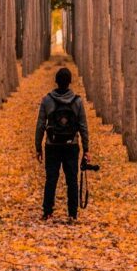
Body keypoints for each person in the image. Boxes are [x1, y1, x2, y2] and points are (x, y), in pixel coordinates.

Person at [35, 67, 90, 221]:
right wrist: (86, 149)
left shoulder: (47, 100)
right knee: (72, 179)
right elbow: (83, 126)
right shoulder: (77, 101)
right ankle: (72, 214)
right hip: (71, 145)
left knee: (51, 178)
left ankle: (47, 212)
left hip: (52, 145)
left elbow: (40, 125)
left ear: (56, 82)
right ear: (69, 82)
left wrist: (38, 147)